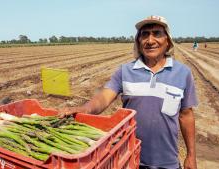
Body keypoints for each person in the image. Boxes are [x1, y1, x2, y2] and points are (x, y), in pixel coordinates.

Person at [60, 15, 198, 169]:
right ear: (138, 41)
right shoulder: (125, 71)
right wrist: (84, 109)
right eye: (144, 34)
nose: (150, 40)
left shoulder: (182, 73)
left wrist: (191, 155)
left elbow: (186, 116)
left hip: (167, 162)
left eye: (157, 33)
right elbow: (104, 98)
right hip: (129, 158)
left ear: (168, 41)